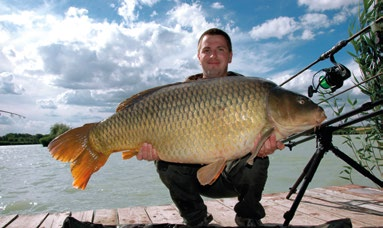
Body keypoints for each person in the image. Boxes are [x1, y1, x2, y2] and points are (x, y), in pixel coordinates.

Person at [137, 28, 285, 227]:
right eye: (206, 50)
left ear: (230, 56)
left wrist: (262, 149)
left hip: (230, 177)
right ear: (199, 56)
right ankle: (196, 220)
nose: (213, 55)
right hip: (191, 179)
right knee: (164, 162)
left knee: (257, 160)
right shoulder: (180, 95)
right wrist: (152, 151)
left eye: (220, 49)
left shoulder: (250, 91)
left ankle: (248, 216)